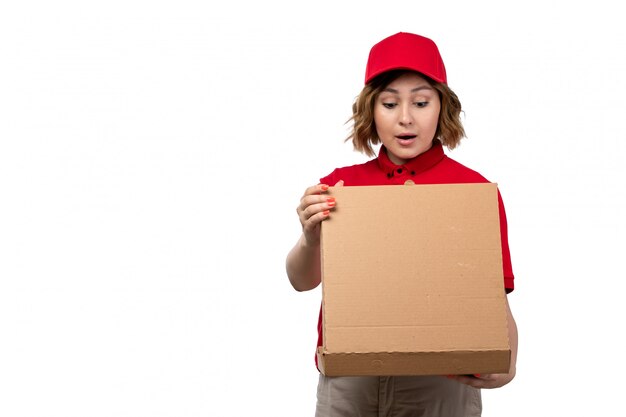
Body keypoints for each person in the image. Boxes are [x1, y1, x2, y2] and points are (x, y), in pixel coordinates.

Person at [286, 32, 518, 417]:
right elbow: (301, 281)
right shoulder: (342, 186)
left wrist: (509, 358)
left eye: (421, 102)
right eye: (390, 103)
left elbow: (493, 296)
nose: (405, 117)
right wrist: (310, 236)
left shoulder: (473, 190)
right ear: (370, 111)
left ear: (442, 107)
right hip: (350, 379)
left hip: (442, 380)